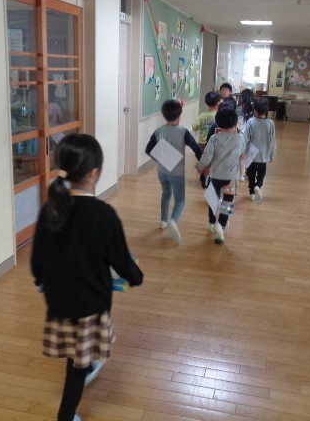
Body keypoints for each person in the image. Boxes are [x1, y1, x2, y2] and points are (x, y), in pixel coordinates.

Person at [31, 134, 144, 421]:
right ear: (94, 173)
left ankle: (88, 362)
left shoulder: (49, 210)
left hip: (59, 302)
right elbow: (120, 260)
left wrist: (44, 281)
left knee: (77, 350)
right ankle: (66, 416)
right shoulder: (103, 214)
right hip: (90, 305)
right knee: (76, 367)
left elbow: (36, 264)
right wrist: (136, 276)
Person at [146, 99, 202, 243]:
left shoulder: (159, 131)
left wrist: (162, 159)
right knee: (180, 199)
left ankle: (163, 221)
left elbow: (148, 149)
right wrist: (203, 164)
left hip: (162, 171)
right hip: (177, 173)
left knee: (166, 194)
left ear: (164, 115)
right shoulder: (183, 131)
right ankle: (173, 221)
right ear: (179, 115)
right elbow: (196, 149)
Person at [196, 107, 246, 244]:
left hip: (215, 176)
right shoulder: (240, 139)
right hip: (230, 178)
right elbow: (243, 154)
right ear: (235, 122)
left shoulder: (214, 138)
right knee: (227, 202)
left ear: (218, 123)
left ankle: (212, 223)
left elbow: (206, 156)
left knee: (213, 200)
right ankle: (221, 226)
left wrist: (200, 167)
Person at [244, 97, 276, 203]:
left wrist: (242, 151)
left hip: (251, 152)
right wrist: (272, 154)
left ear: (255, 110)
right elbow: (272, 140)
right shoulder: (270, 123)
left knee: (251, 173)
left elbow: (245, 138)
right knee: (261, 172)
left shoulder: (251, 122)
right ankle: (258, 185)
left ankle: (252, 192)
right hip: (264, 151)